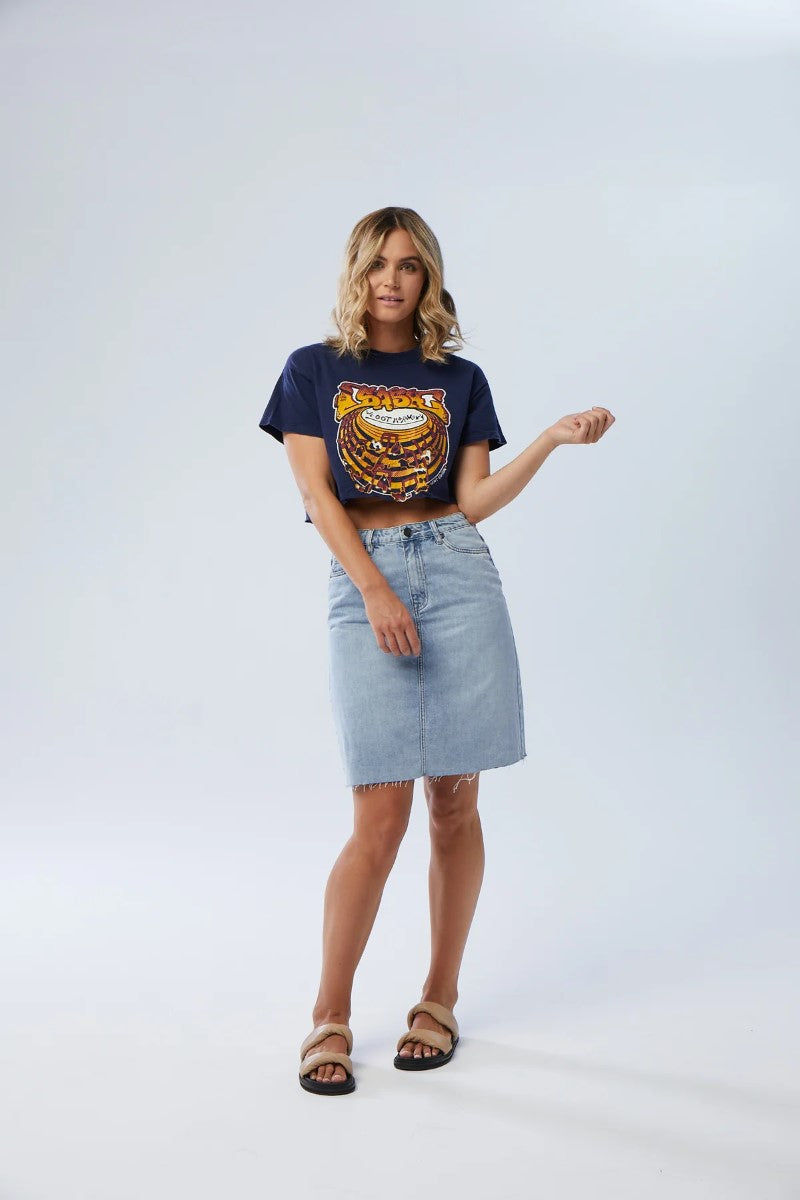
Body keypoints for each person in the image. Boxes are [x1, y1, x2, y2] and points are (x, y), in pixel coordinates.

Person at [258, 206, 614, 1095]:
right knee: (378, 819)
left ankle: (439, 997)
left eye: (410, 265)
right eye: (378, 264)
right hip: (364, 575)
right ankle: (329, 1014)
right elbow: (316, 493)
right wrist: (375, 588)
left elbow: (473, 500)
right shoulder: (314, 372)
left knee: (454, 806)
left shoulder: (460, 378)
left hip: (458, 575)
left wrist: (549, 440)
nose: (392, 279)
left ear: (430, 280)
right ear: (355, 273)